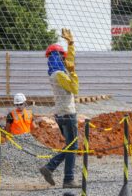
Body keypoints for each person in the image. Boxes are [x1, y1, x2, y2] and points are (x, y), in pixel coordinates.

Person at [39, 28, 80, 189]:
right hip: (68, 114)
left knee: (70, 145)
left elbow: (69, 60)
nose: (65, 60)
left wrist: (70, 44)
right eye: (62, 57)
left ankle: (50, 168)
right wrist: (73, 72)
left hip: (60, 114)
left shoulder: (54, 73)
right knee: (73, 146)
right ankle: (67, 178)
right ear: (58, 58)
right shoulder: (60, 75)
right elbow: (74, 88)